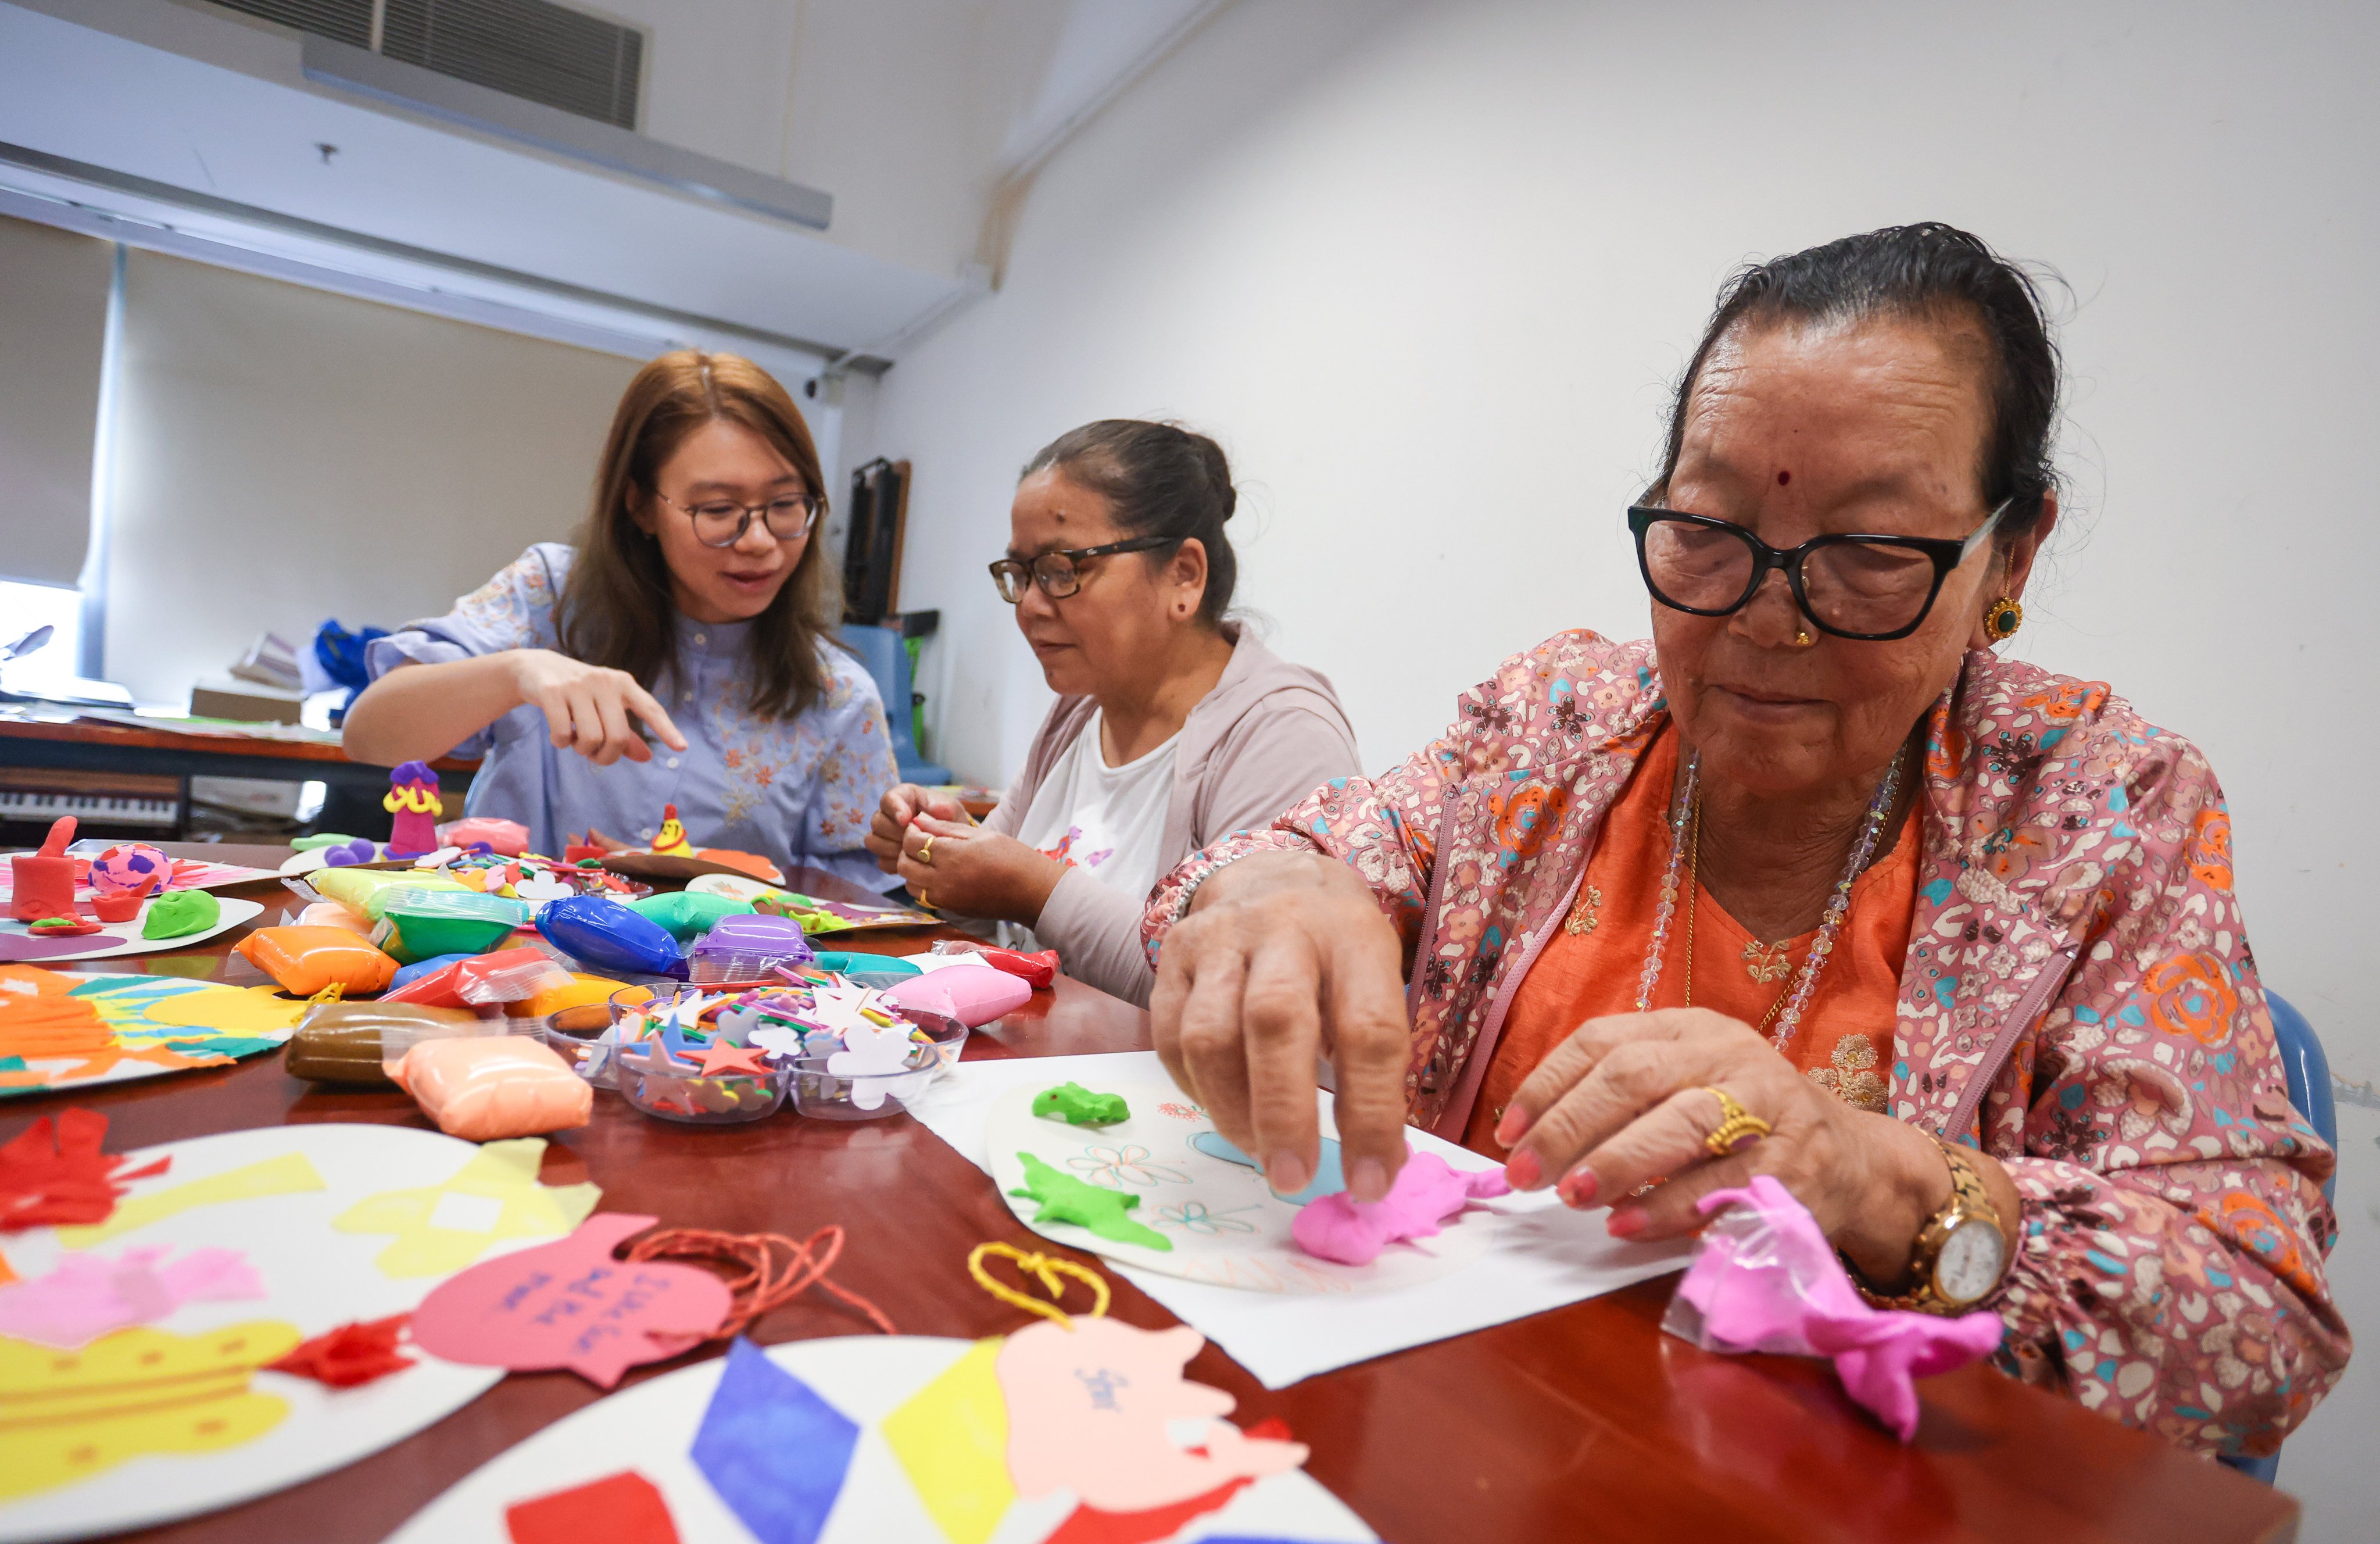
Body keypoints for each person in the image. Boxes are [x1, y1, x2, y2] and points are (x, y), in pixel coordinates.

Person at [1139, 226, 2347, 1455]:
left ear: (2011, 552)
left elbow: (2251, 1321)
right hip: (1470, 1436)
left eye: (1872, 553)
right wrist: (1269, 888)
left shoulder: (2097, 806)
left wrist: (1869, 1179)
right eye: (1706, 528)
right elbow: (1247, 879)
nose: (1768, 618)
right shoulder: (1556, 724)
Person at [342, 350, 897, 889]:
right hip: (509, 966)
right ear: (640, 505)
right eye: (717, 511)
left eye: (785, 505)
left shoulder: (838, 694)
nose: (758, 542)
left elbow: (854, 902)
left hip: (720, 980)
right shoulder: (550, 596)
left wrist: (716, 880)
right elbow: (370, 736)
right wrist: (516, 672)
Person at [865, 420, 1360, 1005]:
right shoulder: (1076, 713)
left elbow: (1240, 996)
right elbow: (988, 924)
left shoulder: (1283, 736)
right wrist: (938, 849)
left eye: (1062, 569)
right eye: (1020, 574)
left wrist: (1038, 891)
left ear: (1184, 575)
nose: (1028, 605)